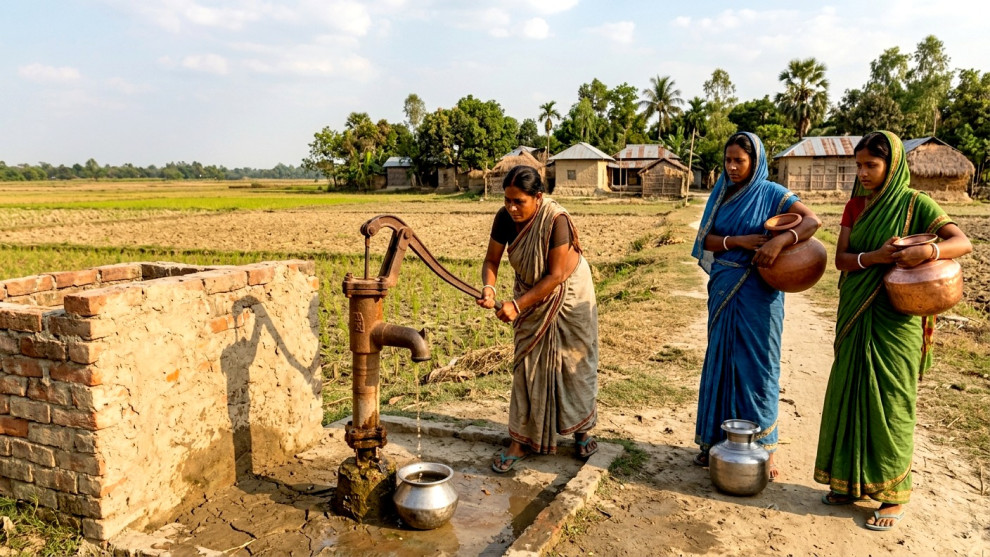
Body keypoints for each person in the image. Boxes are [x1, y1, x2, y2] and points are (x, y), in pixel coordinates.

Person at [814, 131, 972, 530]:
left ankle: (892, 495)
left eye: (872, 165)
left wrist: (928, 251)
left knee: (891, 402)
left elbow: (962, 242)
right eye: (859, 166)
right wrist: (877, 257)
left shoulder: (915, 204)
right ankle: (848, 481)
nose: (863, 173)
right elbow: (843, 260)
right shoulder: (854, 207)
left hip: (897, 319)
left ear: (892, 164)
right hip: (856, 311)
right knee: (850, 392)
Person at [691, 132, 821, 481]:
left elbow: (812, 221)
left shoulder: (773, 193)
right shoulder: (721, 193)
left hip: (760, 292)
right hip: (723, 285)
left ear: (756, 161)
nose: (732, 167)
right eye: (728, 160)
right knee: (722, 360)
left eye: (739, 161)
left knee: (759, 366)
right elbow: (706, 240)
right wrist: (740, 241)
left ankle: (765, 449)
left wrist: (780, 240)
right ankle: (717, 442)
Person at [477, 165, 599, 473]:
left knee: (574, 364)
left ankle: (581, 430)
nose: (512, 207)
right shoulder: (504, 218)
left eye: (519, 201)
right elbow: (492, 260)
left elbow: (556, 275)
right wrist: (489, 288)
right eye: (507, 200)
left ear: (538, 197)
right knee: (527, 364)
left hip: (569, 291)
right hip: (531, 292)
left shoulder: (556, 221)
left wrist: (516, 306)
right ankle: (520, 440)